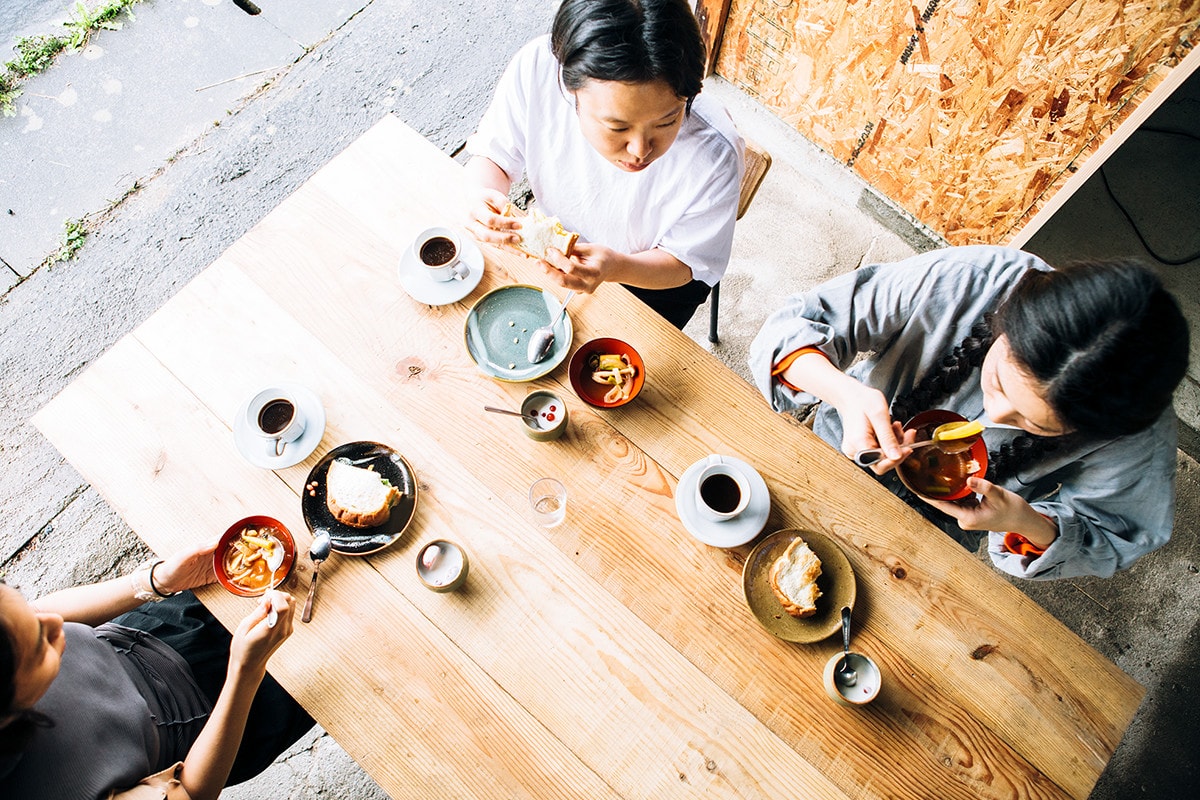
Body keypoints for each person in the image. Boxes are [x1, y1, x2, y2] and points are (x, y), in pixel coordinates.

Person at [749, 245, 1190, 580]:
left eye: (1030, 424)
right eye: (998, 380)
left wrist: (1023, 521)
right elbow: (799, 323)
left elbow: (1117, 532)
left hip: (933, 536)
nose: (992, 415)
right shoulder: (973, 280)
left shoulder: (1136, 433)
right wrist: (844, 394)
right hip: (823, 450)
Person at [464, 0, 744, 330]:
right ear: (570, 90)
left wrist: (617, 267)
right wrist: (480, 196)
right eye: (618, 127)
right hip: (555, 252)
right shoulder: (538, 69)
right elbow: (494, 155)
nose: (640, 150)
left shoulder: (715, 154)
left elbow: (689, 262)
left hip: (651, 279)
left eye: (667, 122)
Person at [0, 540, 314, 800]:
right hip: (224, 713)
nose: (57, 625)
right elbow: (191, 792)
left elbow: (40, 614)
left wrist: (157, 581)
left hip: (151, 628)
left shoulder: (26, 636)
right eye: (40, 647)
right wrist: (246, 672)